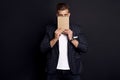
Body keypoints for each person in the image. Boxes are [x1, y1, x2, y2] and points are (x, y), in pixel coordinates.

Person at [40, 3, 88, 80]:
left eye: (65, 15)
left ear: (69, 15)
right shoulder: (49, 29)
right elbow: (43, 49)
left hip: (73, 71)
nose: (63, 17)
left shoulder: (77, 29)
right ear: (57, 15)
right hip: (53, 71)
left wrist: (71, 38)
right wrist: (55, 38)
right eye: (60, 15)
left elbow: (84, 48)